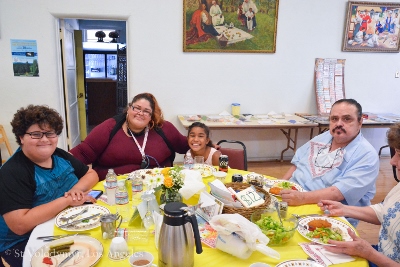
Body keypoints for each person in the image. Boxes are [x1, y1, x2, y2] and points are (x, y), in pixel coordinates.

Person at [0, 105, 99, 266]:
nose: (45, 139)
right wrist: (66, 201)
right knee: (77, 259)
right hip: (22, 242)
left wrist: (75, 190)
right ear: (21, 137)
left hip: (60, 223)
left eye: (50, 133)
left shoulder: (59, 155)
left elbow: (91, 174)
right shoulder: (13, 172)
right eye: (36, 134)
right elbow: (19, 225)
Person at [280, 99, 379, 227]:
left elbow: (337, 193)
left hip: (326, 213)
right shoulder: (324, 137)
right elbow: (297, 163)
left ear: (360, 122)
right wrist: (280, 185)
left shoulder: (366, 155)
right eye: (334, 119)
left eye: (347, 119)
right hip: (294, 198)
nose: (339, 124)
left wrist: (301, 198)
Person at [318, 123, 400, 267]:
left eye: (399, 155)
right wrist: (344, 209)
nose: (392, 161)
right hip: (380, 252)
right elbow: (385, 211)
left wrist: (369, 254)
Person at [70, 92, 189, 180]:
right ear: (129, 109)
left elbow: (188, 145)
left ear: (151, 116)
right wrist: (54, 162)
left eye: (146, 111)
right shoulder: (109, 128)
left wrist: (205, 146)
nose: (140, 113)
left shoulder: (163, 129)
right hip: (113, 189)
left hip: (158, 187)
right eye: (137, 108)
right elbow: (81, 153)